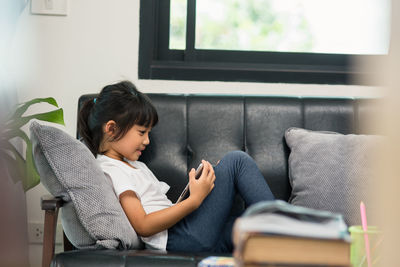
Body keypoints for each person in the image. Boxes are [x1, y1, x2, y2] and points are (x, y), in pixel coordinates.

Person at [78, 81, 275, 252]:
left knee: (246, 225)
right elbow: (143, 225)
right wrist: (194, 201)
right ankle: (286, 229)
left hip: (186, 235)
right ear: (111, 129)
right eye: (141, 132)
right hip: (179, 239)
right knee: (237, 161)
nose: (146, 141)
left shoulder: (133, 165)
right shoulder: (112, 169)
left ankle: (285, 244)